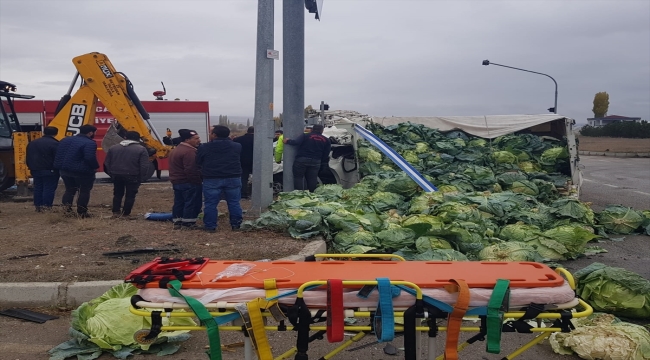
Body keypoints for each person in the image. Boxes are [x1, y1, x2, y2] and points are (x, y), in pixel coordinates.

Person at [196, 125, 243, 233]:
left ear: (215, 135)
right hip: (233, 177)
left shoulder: (204, 147)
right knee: (234, 202)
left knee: (211, 203)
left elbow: (198, 161)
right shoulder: (237, 146)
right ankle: (236, 225)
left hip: (212, 178)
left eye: (211, 133)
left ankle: (210, 226)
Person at [53, 125, 100, 218]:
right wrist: (95, 167)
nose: (95, 134)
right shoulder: (90, 143)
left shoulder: (65, 140)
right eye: (95, 132)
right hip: (82, 172)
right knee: (84, 191)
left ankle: (67, 211)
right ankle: (82, 212)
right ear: (90, 133)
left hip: (64, 170)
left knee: (69, 190)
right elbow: (89, 157)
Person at [103, 131, 151, 219]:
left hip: (116, 174)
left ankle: (116, 212)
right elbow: (144, 166)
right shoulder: (141, 149)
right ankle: (126, 213)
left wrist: (112, 174)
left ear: (125, 137)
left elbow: (107, 163)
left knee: (117, 194)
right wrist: (141, 177)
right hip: (133, 175)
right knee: (130, 195)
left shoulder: (113, 148)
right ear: (138, 139)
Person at [168, 129, 202, 230]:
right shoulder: (189, 152)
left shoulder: (177, 149)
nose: (199, 140)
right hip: (188, 182)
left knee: (179, 202)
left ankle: (177, 221)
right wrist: (197, 181)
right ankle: (188, 223)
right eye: (196, 139)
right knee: (191, 202)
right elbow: (191, 169)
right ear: (187, 140)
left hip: (177, 181)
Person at [283, 124, 331, 192]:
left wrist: (288, 141)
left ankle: (299, 194)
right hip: (316, 161)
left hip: (302, 160)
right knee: (312, 179)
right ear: (322, 130)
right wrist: (319, 160)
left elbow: (296, 142)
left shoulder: (305, 136)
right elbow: (326, 153)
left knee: (298, 177)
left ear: (312, 129)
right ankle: (311, 194)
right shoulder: (326, 140)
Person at [26, 126, 60, 212]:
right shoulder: (55, 144)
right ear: (56, 133)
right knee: (49, 188)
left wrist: (30, 166)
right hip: (49, 169)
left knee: (38, 187)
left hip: (35, 169)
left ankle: (38, 206)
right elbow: (57, 158)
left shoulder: (32, 143)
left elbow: (28, 156)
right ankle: (47, 206)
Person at [233, 126, 254, 199]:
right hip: (256, 162)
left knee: (243, 178)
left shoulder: (238, 139)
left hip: (242, 161)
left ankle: (243, 194)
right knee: (258, 178)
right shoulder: (258, 140)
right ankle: (256, 193)